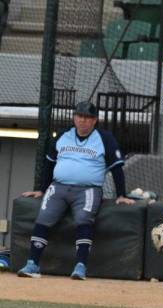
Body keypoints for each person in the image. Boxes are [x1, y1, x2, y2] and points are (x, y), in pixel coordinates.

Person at [17, 101, 135, 280]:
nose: (83, 120)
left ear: (94, 120)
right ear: (74, 118)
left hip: (88, 189)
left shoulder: (104, 138)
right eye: (80, 116)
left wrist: (121, 194)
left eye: (88, 117)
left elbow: (117, 167)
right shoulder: (63, 135)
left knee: (83, 220)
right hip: (58, 186)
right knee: (43, 217)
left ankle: (80, 266)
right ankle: (32, 264)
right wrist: (41, 189)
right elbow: (49, 164)